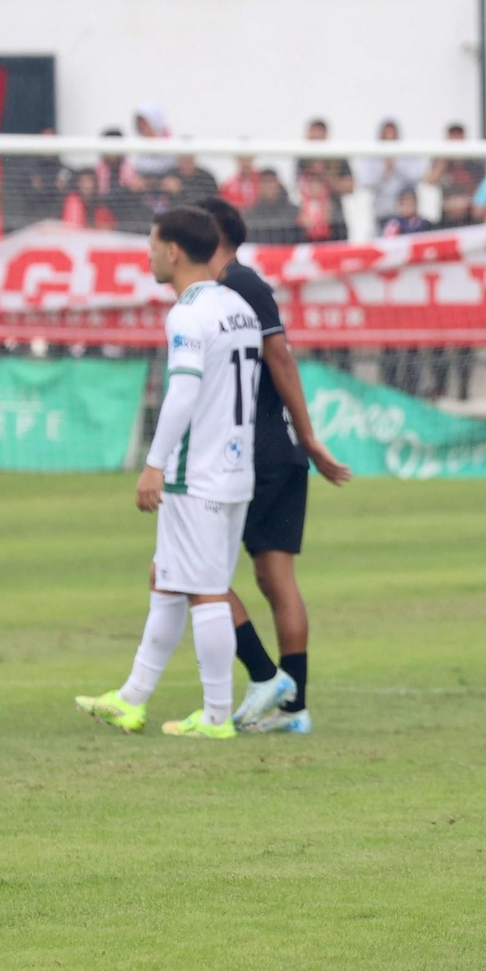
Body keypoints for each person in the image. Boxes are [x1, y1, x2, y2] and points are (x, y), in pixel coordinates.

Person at [73, 207, 262, 739]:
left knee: (206, 591)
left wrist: (154, 464)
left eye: (153, 247)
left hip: (194, 472)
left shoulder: (188, 313)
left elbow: (183, 392)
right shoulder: (239, 307)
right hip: (234, 467)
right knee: (168, 577)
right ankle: (132, 698)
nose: (149, 257)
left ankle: (217, 716)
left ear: (174, 251)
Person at [193, 197, 352, 735]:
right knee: (270, 577)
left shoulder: (238, 285)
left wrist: (309, 437)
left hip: (256, 451)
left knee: (195, 569)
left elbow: (279, 356)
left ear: (211, 233)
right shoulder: (232, 287)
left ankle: (270, 680)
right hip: (270, 449)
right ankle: (292, 707)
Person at [355, 119, 428, 229]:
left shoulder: (408, 153)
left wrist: (396, 166)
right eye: (386, 136)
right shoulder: (371, 156)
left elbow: (418, 176)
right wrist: (384, 173)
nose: (389, 140)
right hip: (383, 214)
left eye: (392, 136)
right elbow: (364, 182)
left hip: (407, 217)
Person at [296, 119, 355, 243]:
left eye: (316, 138)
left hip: (335, 222)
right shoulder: (302, 159)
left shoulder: (337, 157)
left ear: (325, 136)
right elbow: (299, 187)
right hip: (310, 224)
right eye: (311, 138)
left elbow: (350, 187)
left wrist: (325, 177)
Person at [425, 123, 486, 201]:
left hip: (469, 204)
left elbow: (482, 189)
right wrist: (444, 157)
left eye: (458, 137)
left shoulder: (475, 162)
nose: (456, 141)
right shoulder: (441, 160)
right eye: (453, 137)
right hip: (447, 205)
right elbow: (430, 181)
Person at [243, 169, 302, 245]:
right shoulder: (250, 213)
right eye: (265, 182)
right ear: (259, 187)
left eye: (271, 182)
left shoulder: (294, 211)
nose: (269, 186)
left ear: (278, 185)